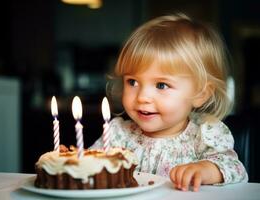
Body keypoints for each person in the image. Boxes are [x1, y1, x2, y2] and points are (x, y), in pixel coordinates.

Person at [91, 13, 248, 192]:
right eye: (132, 82)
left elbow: (236, 170)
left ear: (200, 93)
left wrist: (206, 170)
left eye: (161, 85)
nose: (142, 96)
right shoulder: (118, 134)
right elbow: (86, 164)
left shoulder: (204, 135)